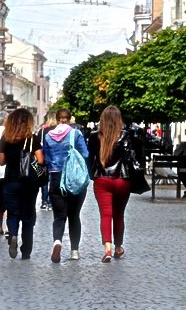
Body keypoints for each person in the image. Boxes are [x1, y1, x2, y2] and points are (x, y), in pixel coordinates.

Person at [88, 105, 144, 263]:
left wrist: (94, 175)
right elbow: (132, 157)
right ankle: (118, 247)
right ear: (119, 119)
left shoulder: (94, 136)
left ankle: (107, 249)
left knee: (105, 215)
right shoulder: (126, 135)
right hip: (122, 180)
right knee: (118, 215)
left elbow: (90, 158)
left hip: (102, 180)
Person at [41, 108, 90, 263]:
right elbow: (86, 154)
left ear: (56, 120)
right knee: (74, 216)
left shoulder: (48, 135)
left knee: (59, 216)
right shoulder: (76, 134)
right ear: (70, 119)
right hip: (73, 178)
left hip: (55, 178)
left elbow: (46, 159)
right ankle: (74, 251)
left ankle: (57, 242)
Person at [0, 108, 44, 260]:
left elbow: (1, 161)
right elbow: (41, 160)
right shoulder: (33, 139)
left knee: (12, 213)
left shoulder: (5, 138)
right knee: (28, 214)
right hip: (29, 182)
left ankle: (13, 236)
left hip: (10, 181)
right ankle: (26, 250)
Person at [36, 114, 57, 211]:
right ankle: (51, 201)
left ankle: (44, 201)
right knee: (53, 179)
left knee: (44, 180)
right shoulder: (58, 131)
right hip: (54, 157)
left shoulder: (43, 130)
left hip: (44, 157)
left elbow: (38, 144)